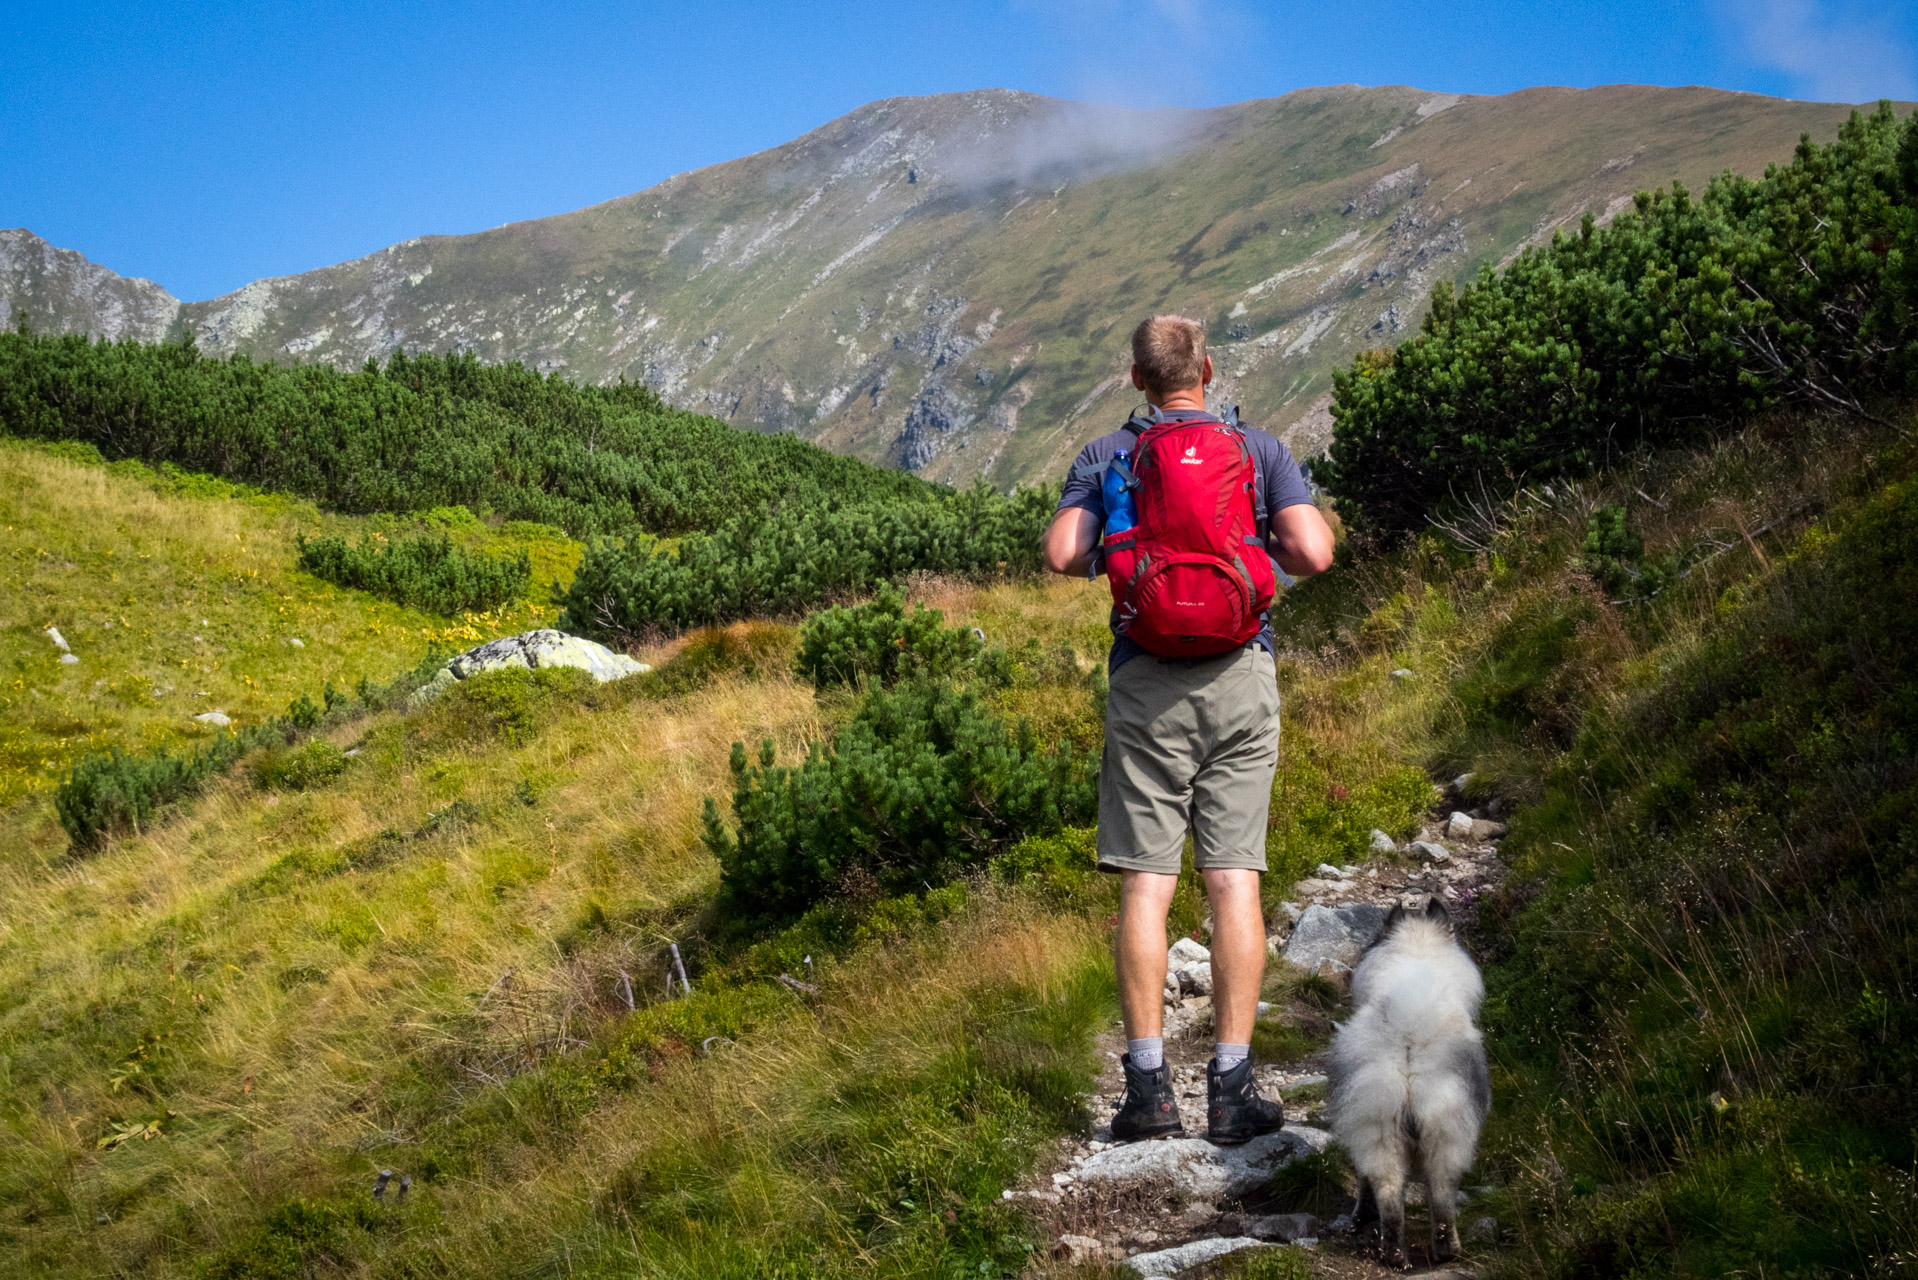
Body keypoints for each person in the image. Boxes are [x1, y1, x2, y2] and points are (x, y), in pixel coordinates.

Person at [1041, 314, 1335, 1144]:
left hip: (1145, 681)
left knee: (1147, 884)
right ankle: (1233, 1088)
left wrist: (1116, 537)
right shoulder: (1261, 449)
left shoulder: (1108, 456)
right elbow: (1314, 552)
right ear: (1206, 369)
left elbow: (1062, 552)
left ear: (1136, 378)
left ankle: (1146, 1091)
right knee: (1234, 876)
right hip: (1242, 675)